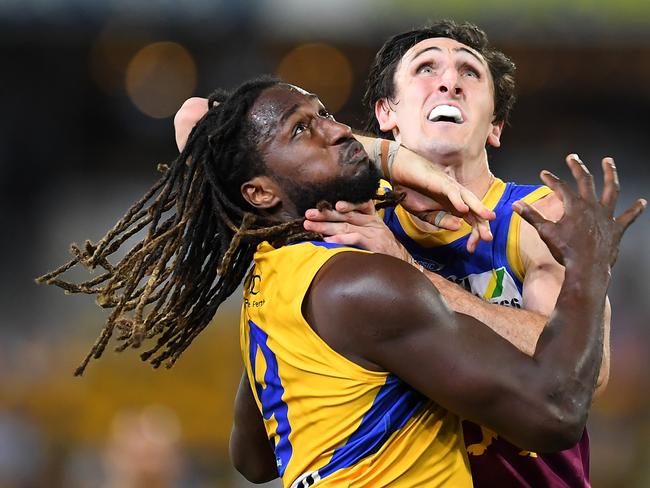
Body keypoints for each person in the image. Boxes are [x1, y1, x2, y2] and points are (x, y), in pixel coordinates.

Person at [41, 77, 644, 487]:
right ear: (259, 193)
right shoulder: (359, 284)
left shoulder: (272, 285)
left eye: (325, 115)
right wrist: (589, 267)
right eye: (302, 130)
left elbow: (253, 459)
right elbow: (557, 410)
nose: (338, 132)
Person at [299, 20, 616, 486]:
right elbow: (200, 118)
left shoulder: (537, 217)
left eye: (470, 73)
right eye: (426, 68)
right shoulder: (355, 214)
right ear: (387, 112)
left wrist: (406, 271)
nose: (449, 81)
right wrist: (376, 155)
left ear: (495, 126)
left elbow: (582, 372)